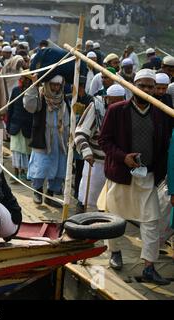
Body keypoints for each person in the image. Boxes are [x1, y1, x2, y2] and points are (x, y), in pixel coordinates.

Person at [98, 69, 171, 285]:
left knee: (151, 220)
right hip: (121, 174)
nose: (147, 90)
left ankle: (149, 266)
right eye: (143, 85)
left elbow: (165, 145)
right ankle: (115, 252)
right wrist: (123, 157)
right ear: (133, 86)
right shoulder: (117, 110)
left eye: (150, 86)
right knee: (115, 217)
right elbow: (104, 140)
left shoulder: (161, 113)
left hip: (147, 176)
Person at [75, 84, 126, 213]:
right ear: (106, 99)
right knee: (89, 199)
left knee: (111, 203)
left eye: (119, 101)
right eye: (112, 102)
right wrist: (87, 153)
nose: (115, 106)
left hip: (117, 163)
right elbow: (80, 133)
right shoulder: (96, 108)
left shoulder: (126, 111)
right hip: (96, 164)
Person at [24, 75, 70, 208]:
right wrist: (33, 85)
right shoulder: (40, 95)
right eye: (53, 85)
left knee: (59, 168)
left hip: (60, 139)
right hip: (43, 139)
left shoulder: (63, 98)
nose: (56, 88)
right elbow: (29, 106)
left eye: (58, 85)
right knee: (41, 167)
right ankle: (37, 192)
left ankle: (50, 195)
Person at [7, 75, 33, 182]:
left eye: (27, 79)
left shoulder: (33, 92)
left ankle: (23, 172)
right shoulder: (15, 91)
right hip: (15, 125)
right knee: (15, 150)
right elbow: (10, 108)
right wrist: (8, 126)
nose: (25, 81)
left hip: (27, 126)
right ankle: (15, 172)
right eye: (24, 79)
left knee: (25, 150)